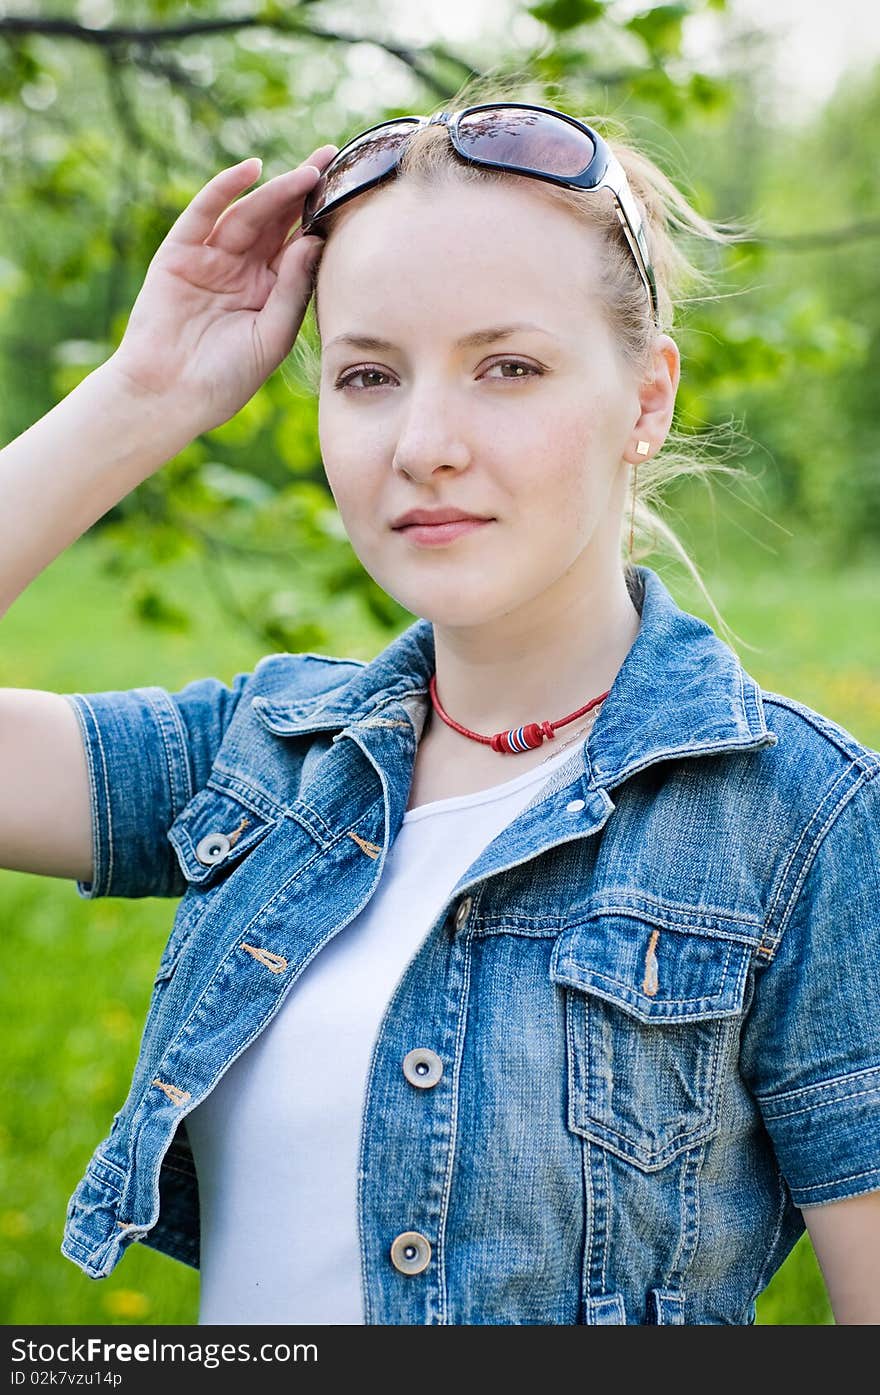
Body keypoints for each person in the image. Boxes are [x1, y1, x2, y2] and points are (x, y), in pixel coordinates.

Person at [1, 84, 879, 1328]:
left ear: (646, 398)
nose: (423, 443)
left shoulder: (804, 822)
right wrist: (146, 396)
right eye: (367, 375)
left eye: (505, 367)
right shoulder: (262, 759)